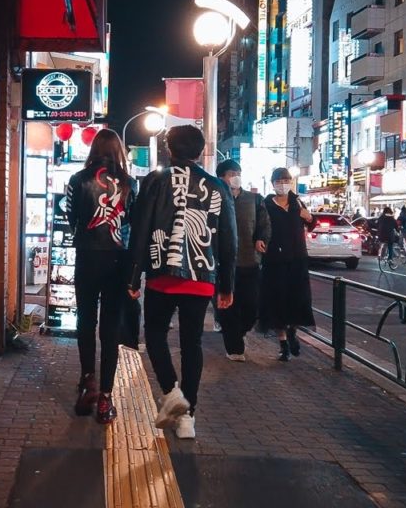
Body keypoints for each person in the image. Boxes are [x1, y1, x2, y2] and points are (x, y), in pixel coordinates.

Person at [129, 125, 237, 440]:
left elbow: (141, 229)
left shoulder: (156, 180)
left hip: (163, 271)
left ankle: (171, 392)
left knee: (155, 334)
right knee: (192, 345)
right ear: (201, 150)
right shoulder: (218, 186)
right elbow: (229, 238)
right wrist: (226, 284)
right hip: (202, 276)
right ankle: (188, 417)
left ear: (169, 149)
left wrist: (134, 275)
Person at [64, 128, 136, 424]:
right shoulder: (131, 184)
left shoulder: (77, 180)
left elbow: (71, 218)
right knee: (110, 326)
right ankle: (106, 397)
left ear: (93, 149)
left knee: (85, 320)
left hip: (87, 258)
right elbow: (133, 222)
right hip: (119, 261)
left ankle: (87, 383)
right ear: (119, 150)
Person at [215, 159, 270, 362]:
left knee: (251, 307)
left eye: (237, 172)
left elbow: (264, 224)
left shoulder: (255, 199)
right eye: (231, 173)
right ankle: (234, 347)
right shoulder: (214, 198)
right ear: (221, 177)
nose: (235, 176)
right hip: (223, 264)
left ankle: (239, 333)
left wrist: (261, 239)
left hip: (250, 262)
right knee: (227, 308)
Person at [259, 168, 315, 362]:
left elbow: (311, 223)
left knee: (297, 301)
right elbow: (259, 227)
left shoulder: (297, 202)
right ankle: (283, 345)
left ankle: (292, 332)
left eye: (286, 179)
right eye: (279, 180)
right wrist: (259, 240)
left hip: (297, 260)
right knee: (276, 303)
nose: (283, 183)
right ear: (273, 183)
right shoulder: (265, 204)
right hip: (273, 262)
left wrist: (309, 218)